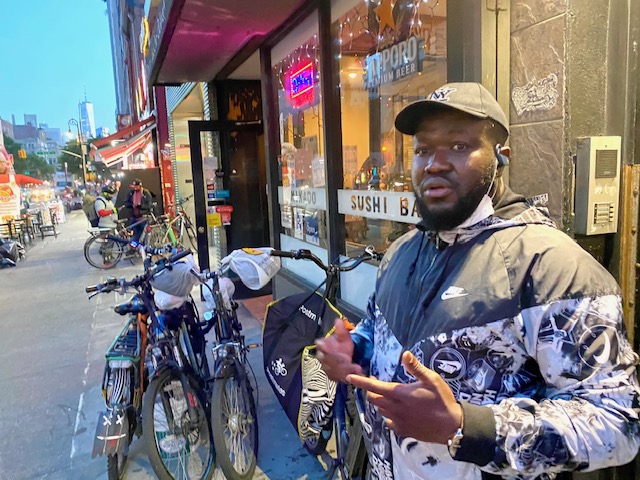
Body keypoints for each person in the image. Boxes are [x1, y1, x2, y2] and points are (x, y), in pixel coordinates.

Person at [316, 82, 640, 479]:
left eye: (458, 145)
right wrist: (355, 350)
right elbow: (379, 332)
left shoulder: (551, 267)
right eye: (422, 150)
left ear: (501, 157)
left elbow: (616, 422)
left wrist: (466, 428)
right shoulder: (401, 252)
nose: (434, 164)